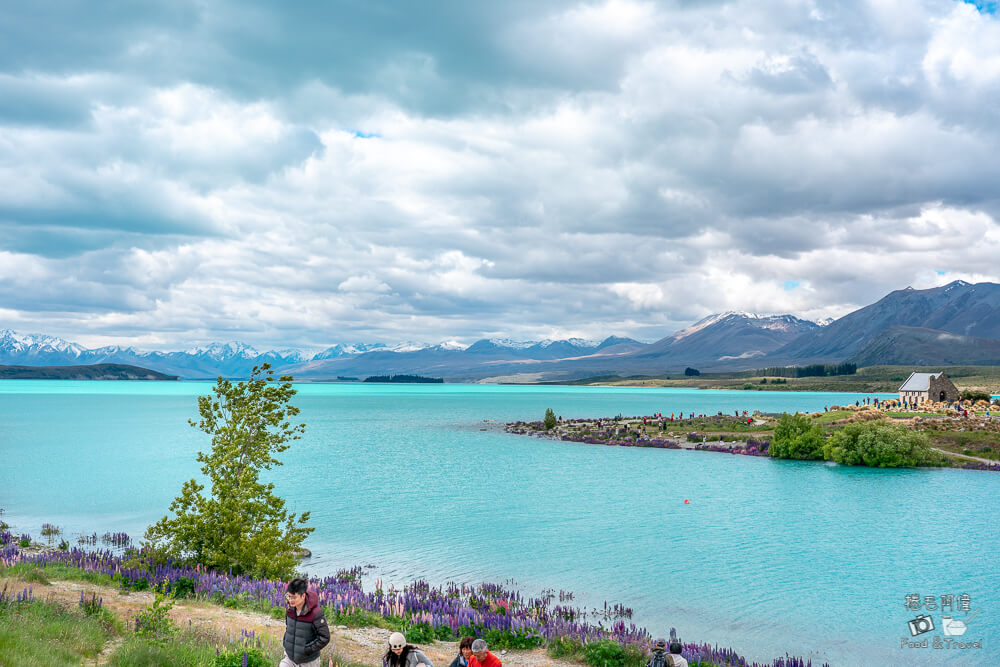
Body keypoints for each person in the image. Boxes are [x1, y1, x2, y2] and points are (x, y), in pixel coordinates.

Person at [281, 578, 330, 667]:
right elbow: (289, 628)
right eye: (288, 596)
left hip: (308, 661)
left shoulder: (316, 613)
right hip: (290, 658)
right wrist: (286, 642)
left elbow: (325, 637)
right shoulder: (289, 610)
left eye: (294, 597)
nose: (290, 600)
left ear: (303, 596)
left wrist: (306, 649)